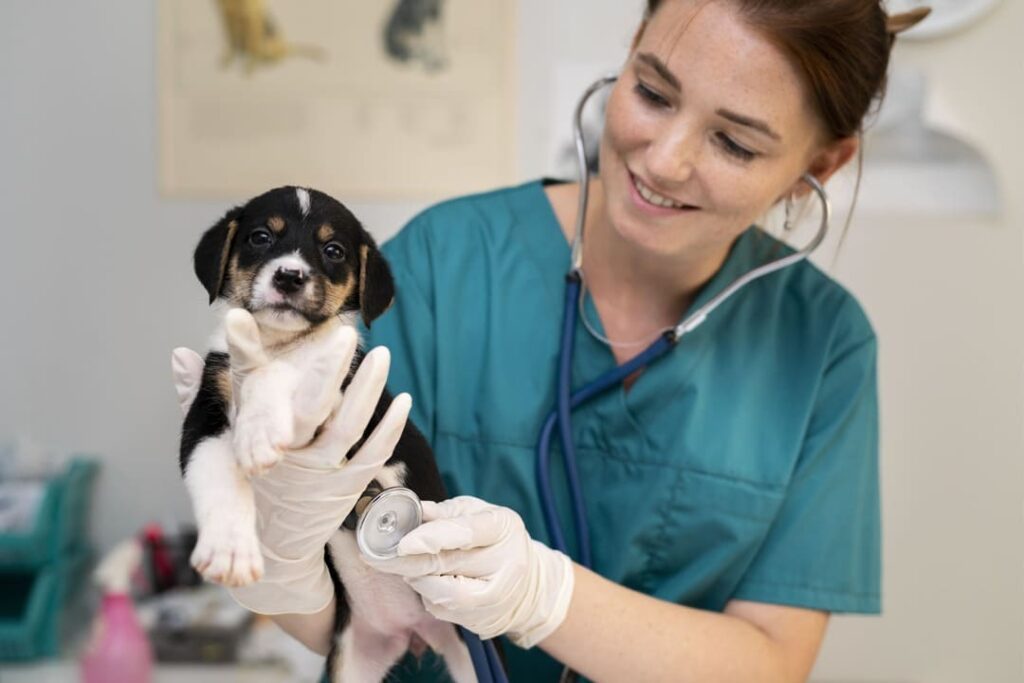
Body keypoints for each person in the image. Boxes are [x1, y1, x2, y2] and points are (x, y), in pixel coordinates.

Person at [176, 1, 929, 680]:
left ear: (818, 165)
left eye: (733, 142)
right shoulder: (445, 262)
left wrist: (546, 596)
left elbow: (771, 660)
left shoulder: (823, 345)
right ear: (631, 47)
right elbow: (333, 614)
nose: (664, 159)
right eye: (653, 92)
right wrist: (283, 567)